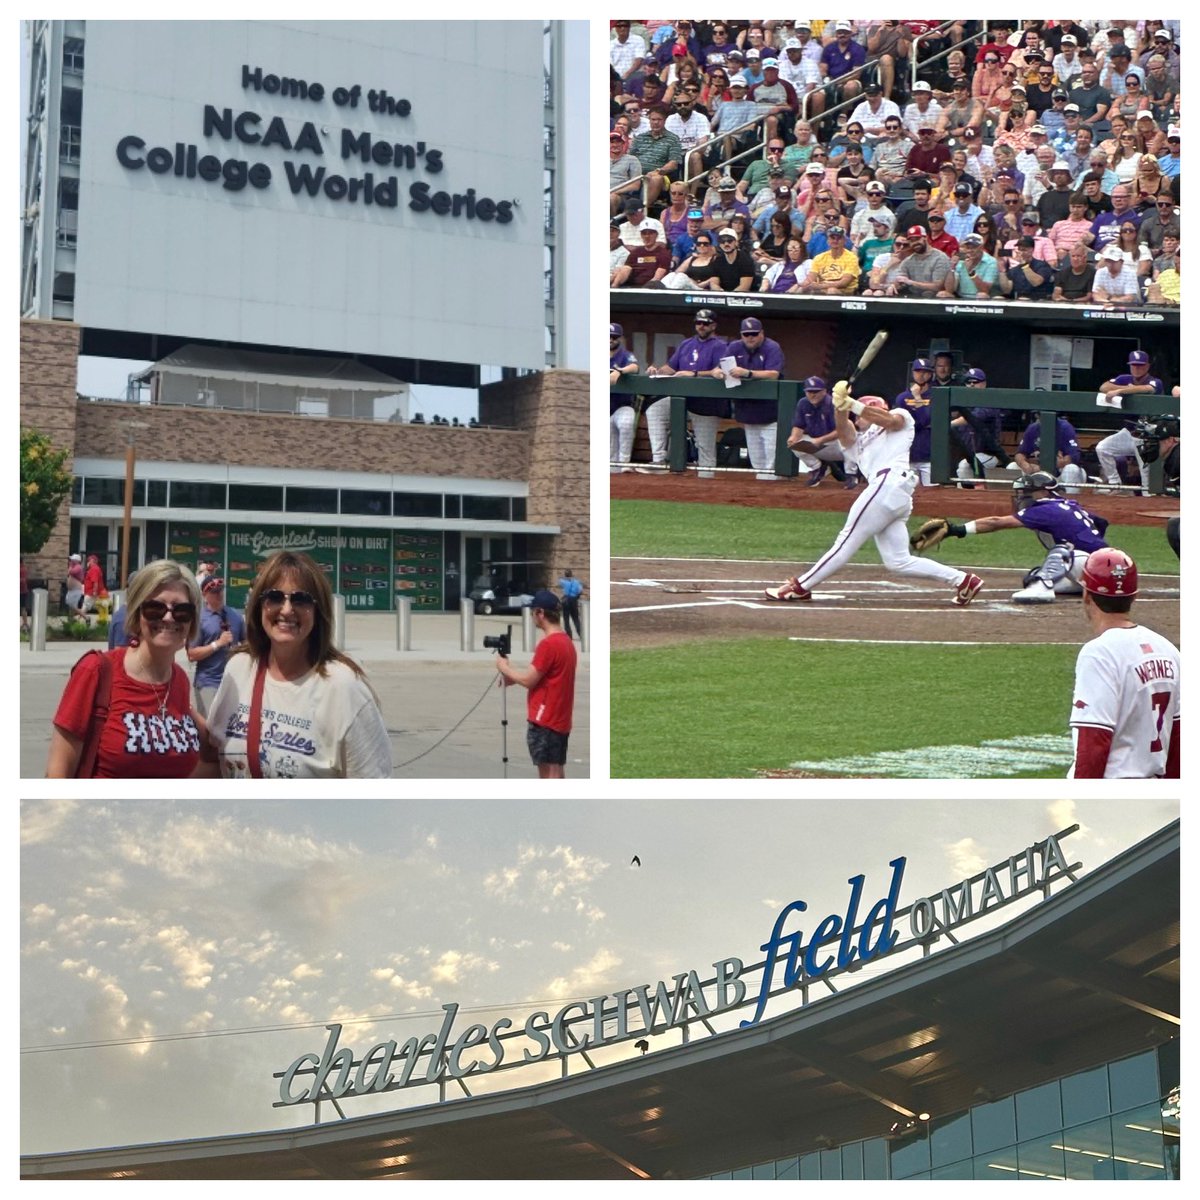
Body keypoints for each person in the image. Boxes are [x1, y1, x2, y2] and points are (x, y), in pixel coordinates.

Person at [764, 384, 983, 606]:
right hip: (892, 494)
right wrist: (840, 406)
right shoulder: (859, 441)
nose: (858, 419)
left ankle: (800, 587)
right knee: (898, 561)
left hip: (889, 484)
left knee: (846, 541)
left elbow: (889, 420)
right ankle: (963, 580)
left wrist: (853, 404)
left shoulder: (900, 415)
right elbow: (844, 432)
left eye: (861, 414)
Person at [203, 551, 391, 778]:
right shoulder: (239, 668)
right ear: (259, 605)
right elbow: (212, 758)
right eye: (274, 597)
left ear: (318, 611)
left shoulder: (344, 688)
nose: (286, 609)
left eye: (300, 599)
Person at [47, 560, 203, 777]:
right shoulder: (96, 670)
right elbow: (58, 773)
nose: (168, 617)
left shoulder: (180, 680)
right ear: (137, 613)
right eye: (155, 608)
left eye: (182, 610)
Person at [1068, 549, 1179, 778]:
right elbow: (1179, 739)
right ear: (1133, 596)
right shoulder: (1168, 649)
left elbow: (1094, 741)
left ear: (1086, 595)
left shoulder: (1099, 654)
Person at [933, 472, 1109, 603]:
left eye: (1028, 491)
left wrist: (957, 530)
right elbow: (1101, 523)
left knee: (1062, 551)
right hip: (1100, 567)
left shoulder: (1046, 509)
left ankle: (1042, 589)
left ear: (1044, 492)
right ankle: (1079, 585)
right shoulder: (1068, 505)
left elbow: (996, 522)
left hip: (1087, 564)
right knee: (1034, 576)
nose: (1023, 496)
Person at [494, 589, 577, 779]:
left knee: (548, 773)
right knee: (557, 770)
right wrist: (514, 678)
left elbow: (528, 680)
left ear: (540, 613)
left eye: (533, 612)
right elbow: (545, 676)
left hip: (545, 718)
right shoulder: (566, 641)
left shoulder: (548, 644)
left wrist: (504, 668)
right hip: (560, 718)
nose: (532, 616)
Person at [647, 308, 728, 478]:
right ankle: (659, 460)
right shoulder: (687, 344)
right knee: (655, 410)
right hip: (682, 399)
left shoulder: (720, 346)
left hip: (707, 403)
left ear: (713, 326)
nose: (701, 326)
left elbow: (720, 372)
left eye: (705, 323)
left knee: (705, 447)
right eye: (698, 322)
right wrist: (657, 370)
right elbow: (671, 367)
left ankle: (706, 480)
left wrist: (694, 374)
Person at [719, 317, 784, 481]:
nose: (750, 337)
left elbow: (774, 374)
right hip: (748, 411)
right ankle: (762, 490)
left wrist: (747, 373)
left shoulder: (772, 347)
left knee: (771, 461)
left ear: (761, 333)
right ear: (741, 335)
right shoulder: (734, 347)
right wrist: (718, 372)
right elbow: (722, 368)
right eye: (746, 334)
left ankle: (775, 490)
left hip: (771, 413)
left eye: (754, 334)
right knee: (757, 461)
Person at [1094, 351, 1165, 493]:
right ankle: (1115, 484)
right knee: (1102, 448)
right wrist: (1127, 389)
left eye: (1140, 365)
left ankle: (1149, 500)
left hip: (1147, 438)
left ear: (1147, 366)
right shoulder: (1124, 378)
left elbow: (1149, 389)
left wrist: (1120, 390)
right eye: (1134, 365)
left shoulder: (1154, 381)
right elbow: (1104, 387)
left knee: (1147, 485)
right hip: (1129, 433)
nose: (1137, 368)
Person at [186, 576, 246, 717]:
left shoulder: (235, 616)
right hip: (208, 682)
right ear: (204, 595)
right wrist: (217, 644)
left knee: (230, 724)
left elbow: (246, 643)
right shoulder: (199, 619)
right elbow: (192, 654)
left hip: (232, 681)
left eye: (220, 590)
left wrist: (240, 651)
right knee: (210, 724)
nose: (219, 594)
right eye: (214, 592)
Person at [787, 376, 859, 489]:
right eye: (809, 392)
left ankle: (851, 474)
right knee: (795, 443)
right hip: (821, 444)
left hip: (842, 445)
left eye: (816, 391)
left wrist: (820, 440)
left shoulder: (832, 403)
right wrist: (793, 437)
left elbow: (841, 431)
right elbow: (798, 425)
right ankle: (817, 469)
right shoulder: (803, 403)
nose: (812, 395)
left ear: (824, 391)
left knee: (848, 436)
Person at [609, 323, 638, 472]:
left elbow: (635, 367)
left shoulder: (625, 355)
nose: (610, 340)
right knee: (609, 456)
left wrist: (620, 371)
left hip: (622, 406)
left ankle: (625, 463)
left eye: (614, 337)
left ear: (619, 338)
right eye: (608, 336)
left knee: (627, 423)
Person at [558, 569, 584, 641]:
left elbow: (559, 581)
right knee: (576, 618)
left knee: (566, 619)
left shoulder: (563, 582)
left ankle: (569, 636)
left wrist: (564, 578)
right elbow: (580, 590)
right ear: (572, 574)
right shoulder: (576, 582)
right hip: (574, 601)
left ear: (565, 575)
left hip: (566, 601)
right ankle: (581, 634)